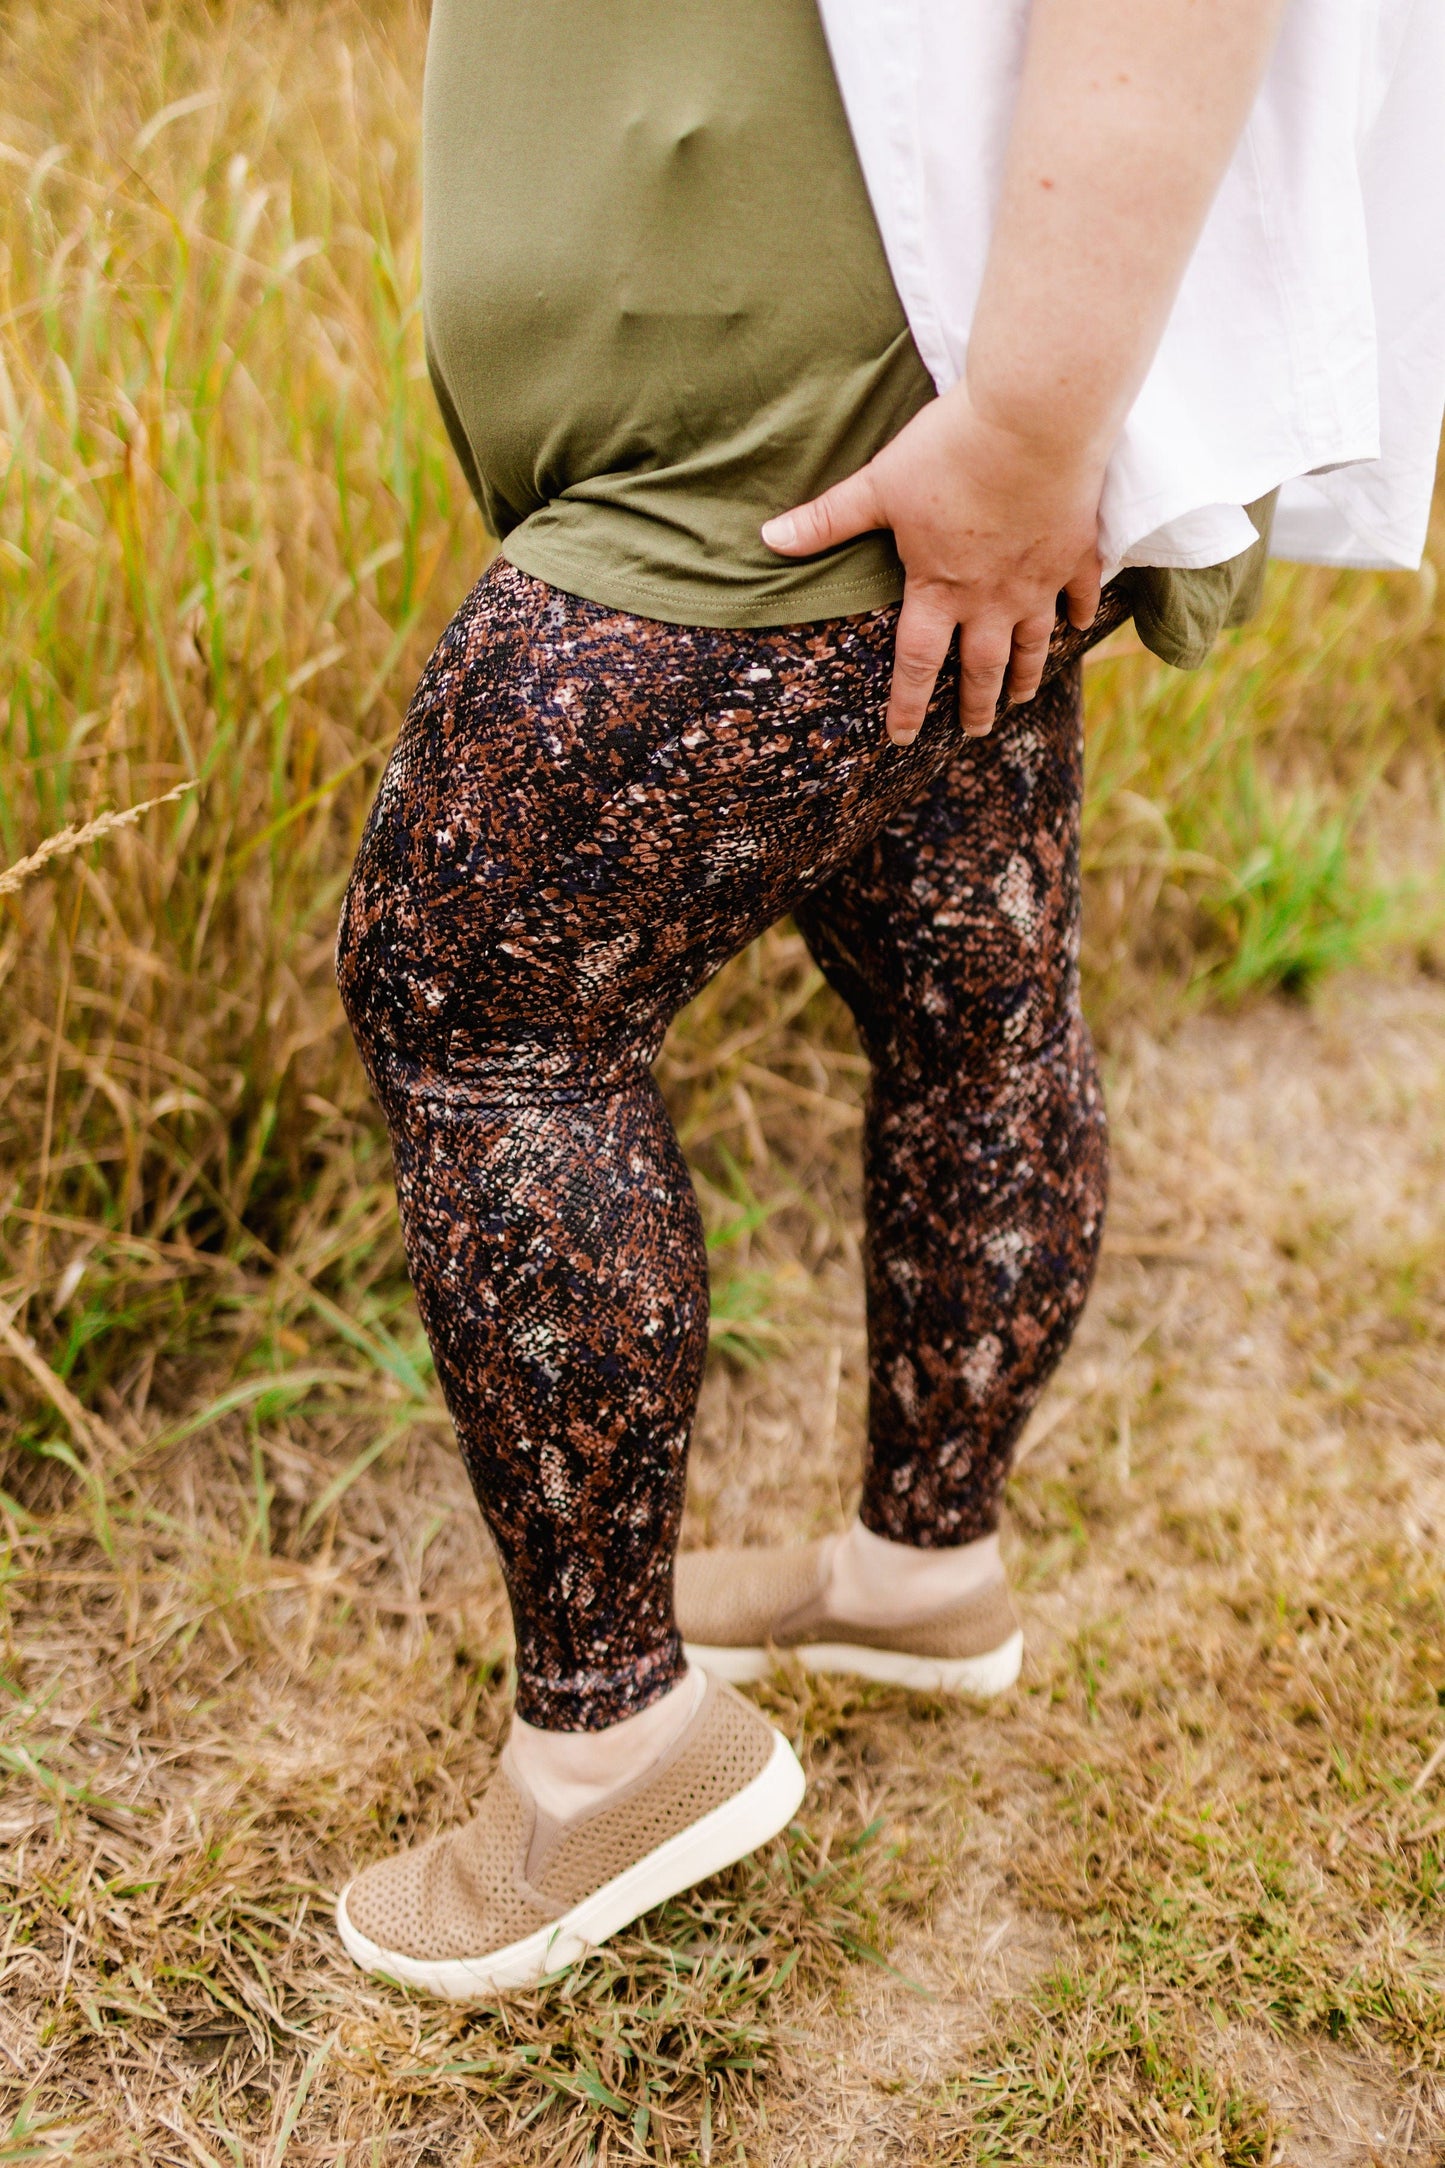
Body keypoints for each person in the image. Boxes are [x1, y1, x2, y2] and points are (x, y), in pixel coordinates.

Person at [329, 0, 1445, 2000]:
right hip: (867, 396)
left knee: (477, 987)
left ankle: (614, 1757)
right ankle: (919, 1571)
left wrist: (1028, 422)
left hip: (845, 427)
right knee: (968, 978)